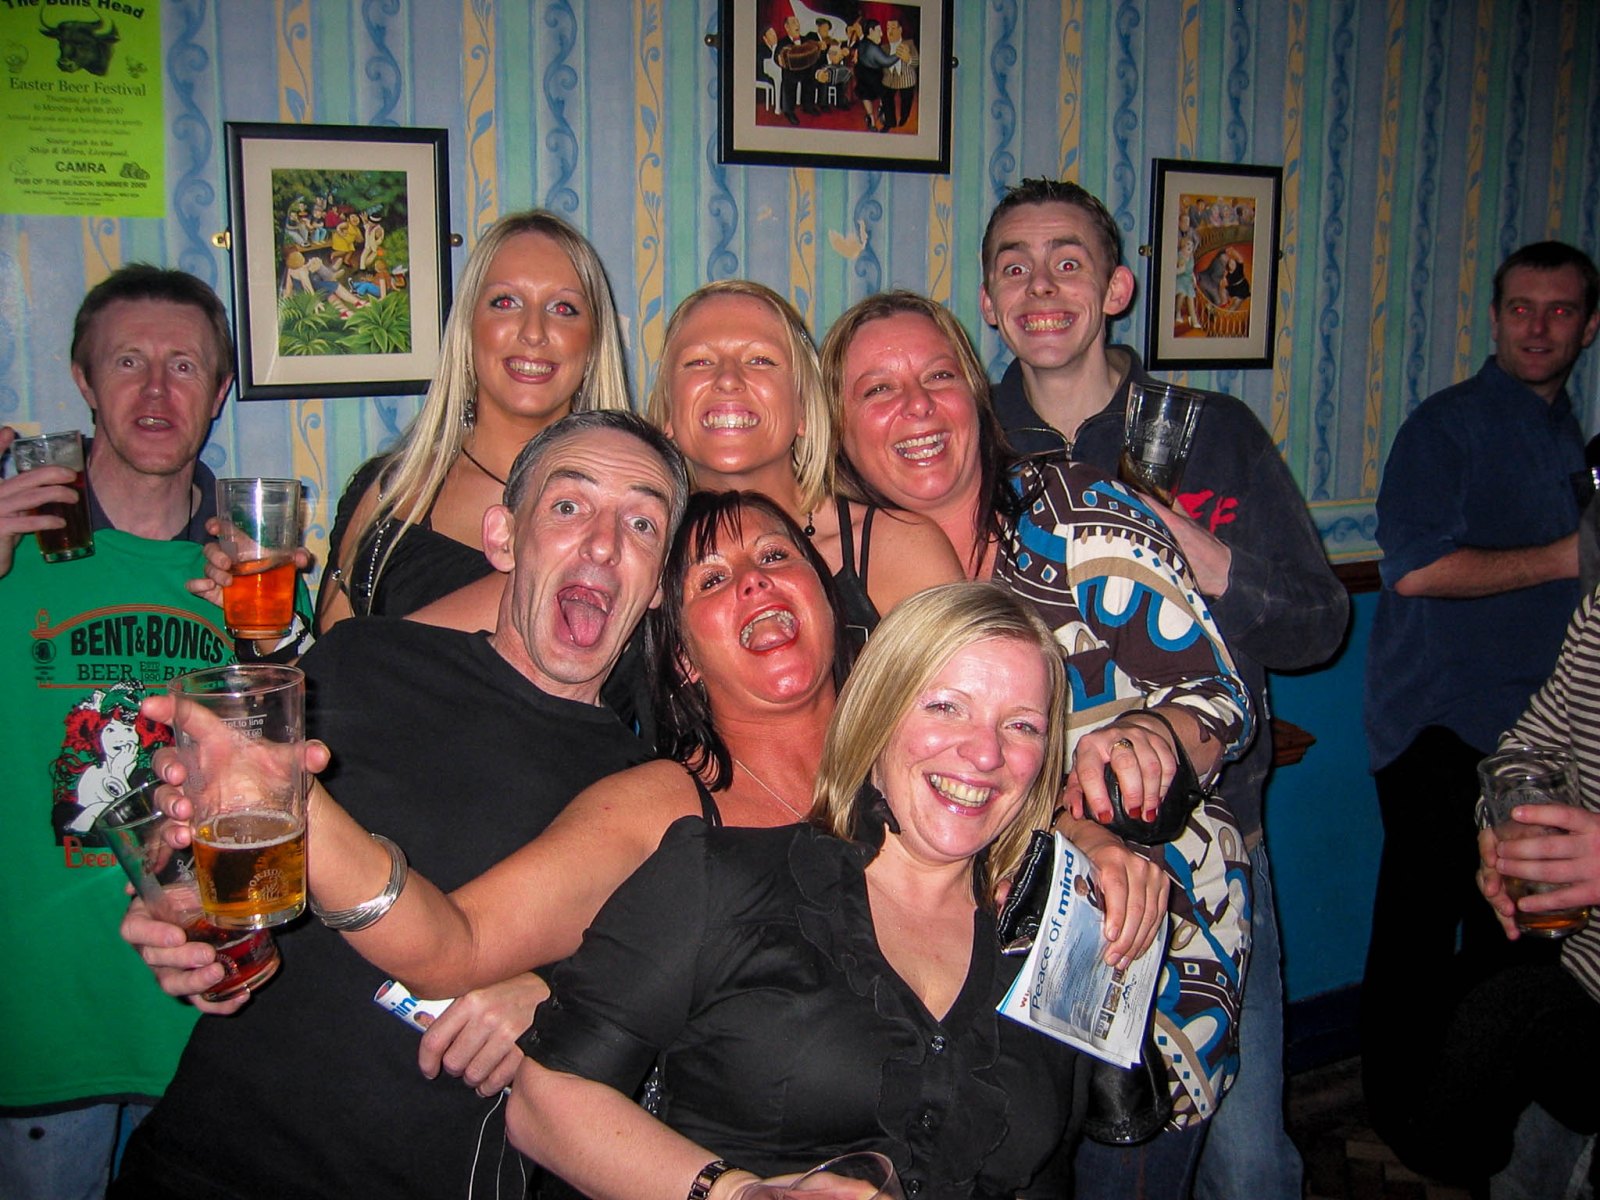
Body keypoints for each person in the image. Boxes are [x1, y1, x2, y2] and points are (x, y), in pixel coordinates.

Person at [110, 411, 689, 1200]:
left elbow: (648, 1008)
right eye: (568, 506)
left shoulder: (642, 791)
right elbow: (219, 864)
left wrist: (562, 1006)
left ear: (657, 586)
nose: (603, 543)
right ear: (503, 537)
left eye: (642, 523)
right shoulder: (361, 658)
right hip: (198, 1159)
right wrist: (182, 904)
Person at [824, 290, 1256, 1197]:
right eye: (877, 389)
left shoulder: (1070, 509)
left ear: (976, 396)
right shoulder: (840, 574)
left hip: (1133, 931)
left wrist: (1152, 734)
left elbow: (1220, 697)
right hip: (944, 958)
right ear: (839, 425)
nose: (916, 407)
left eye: (939, 376)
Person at [978, 177, 1348, 1198]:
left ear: (1116, 289)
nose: (1040, 286)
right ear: (989, 302)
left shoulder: (1213, 431)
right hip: (1039, 847)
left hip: (1212, 841)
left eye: (1067, 262)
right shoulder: (968, 441)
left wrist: (1200, 553)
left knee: (1247, 1157)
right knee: (1083, 1144)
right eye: (1014, 266)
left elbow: (1320, 624)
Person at [509, 582, 1085, 1198]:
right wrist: (735, 1193)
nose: (986, 753)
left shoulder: (1060, 941)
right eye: (946, 707)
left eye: (1021, 725)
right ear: (879, 712)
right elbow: (545, 1101)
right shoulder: (720, 878)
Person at [0, 265, 245, 1200]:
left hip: (205, 1019)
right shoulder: (14, 548)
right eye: (128, 361)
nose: (155, 390)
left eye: (183, 366)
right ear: (83, 381)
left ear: (218, 392)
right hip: (40, 1024)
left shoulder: (249, 574)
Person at [1363, 240, 1598, 1150]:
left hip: (1540, 738)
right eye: (1520, 308)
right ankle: (1404, 1126)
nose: (1538, 327)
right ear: (1495, 318)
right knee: (1419, 942)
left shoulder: (1569, 434)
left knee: (1515, 946)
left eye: (1560, 310)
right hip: (1440, 728)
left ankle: (1477, 1127)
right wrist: (1569, 557)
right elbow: (1414, 571)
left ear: (1588, 325)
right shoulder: (1447, 426)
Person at [317, 209, 630, 635]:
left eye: (563, 308)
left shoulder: (640, 511)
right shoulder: (392, 490)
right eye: (505, 302)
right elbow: (324, 665)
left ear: (593, 341)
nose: (533, 331)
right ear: (468, 326)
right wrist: (267, 631)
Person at [646, 279, 962, 643]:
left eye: (760, 360)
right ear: (668, 409)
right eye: (699, 362)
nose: (728, 379)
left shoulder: (899, 551)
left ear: (803, 409)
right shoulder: (640, 560)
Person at [880, 17, 919, 129]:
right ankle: (890, 122)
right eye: (888, 28)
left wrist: (909, 59)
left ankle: (904, 118)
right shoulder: (884, 48)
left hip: (906, 79)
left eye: (893, 28)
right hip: (889, 79)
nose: (890, 32)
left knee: (906, 101)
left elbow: (917, 62)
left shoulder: (909, 44)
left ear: (900, 30)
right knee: (887, 99)